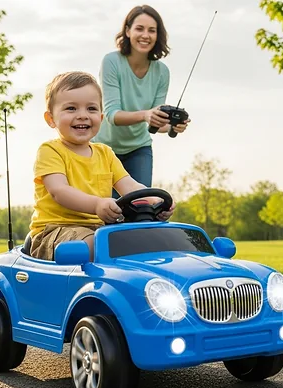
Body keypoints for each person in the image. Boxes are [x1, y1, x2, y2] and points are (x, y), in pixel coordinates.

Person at [28, 71, 176, 261]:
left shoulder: (105, 153)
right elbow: (59, 191)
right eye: (71, 108)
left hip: (100, 230)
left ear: (101, 116)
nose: (82, 116)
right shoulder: (50, 150)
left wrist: (155, 200)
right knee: (96, 246)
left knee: (149, 242)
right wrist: (97, 204)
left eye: (91, 109)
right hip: (55, 231)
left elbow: (130, 186)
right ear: (50, 119)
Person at [93, 4, 190, 194]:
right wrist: (146, 115)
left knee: (140, 207)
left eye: (152, 30)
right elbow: (112, 115)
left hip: (139, 149)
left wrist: (172, 126)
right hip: (104, 149)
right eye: (139, 28)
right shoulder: (111, 62)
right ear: (128, 31)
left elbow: (153, 122)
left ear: (158, 35)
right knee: (109, 211)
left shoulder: (162, 72)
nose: (145, 35)